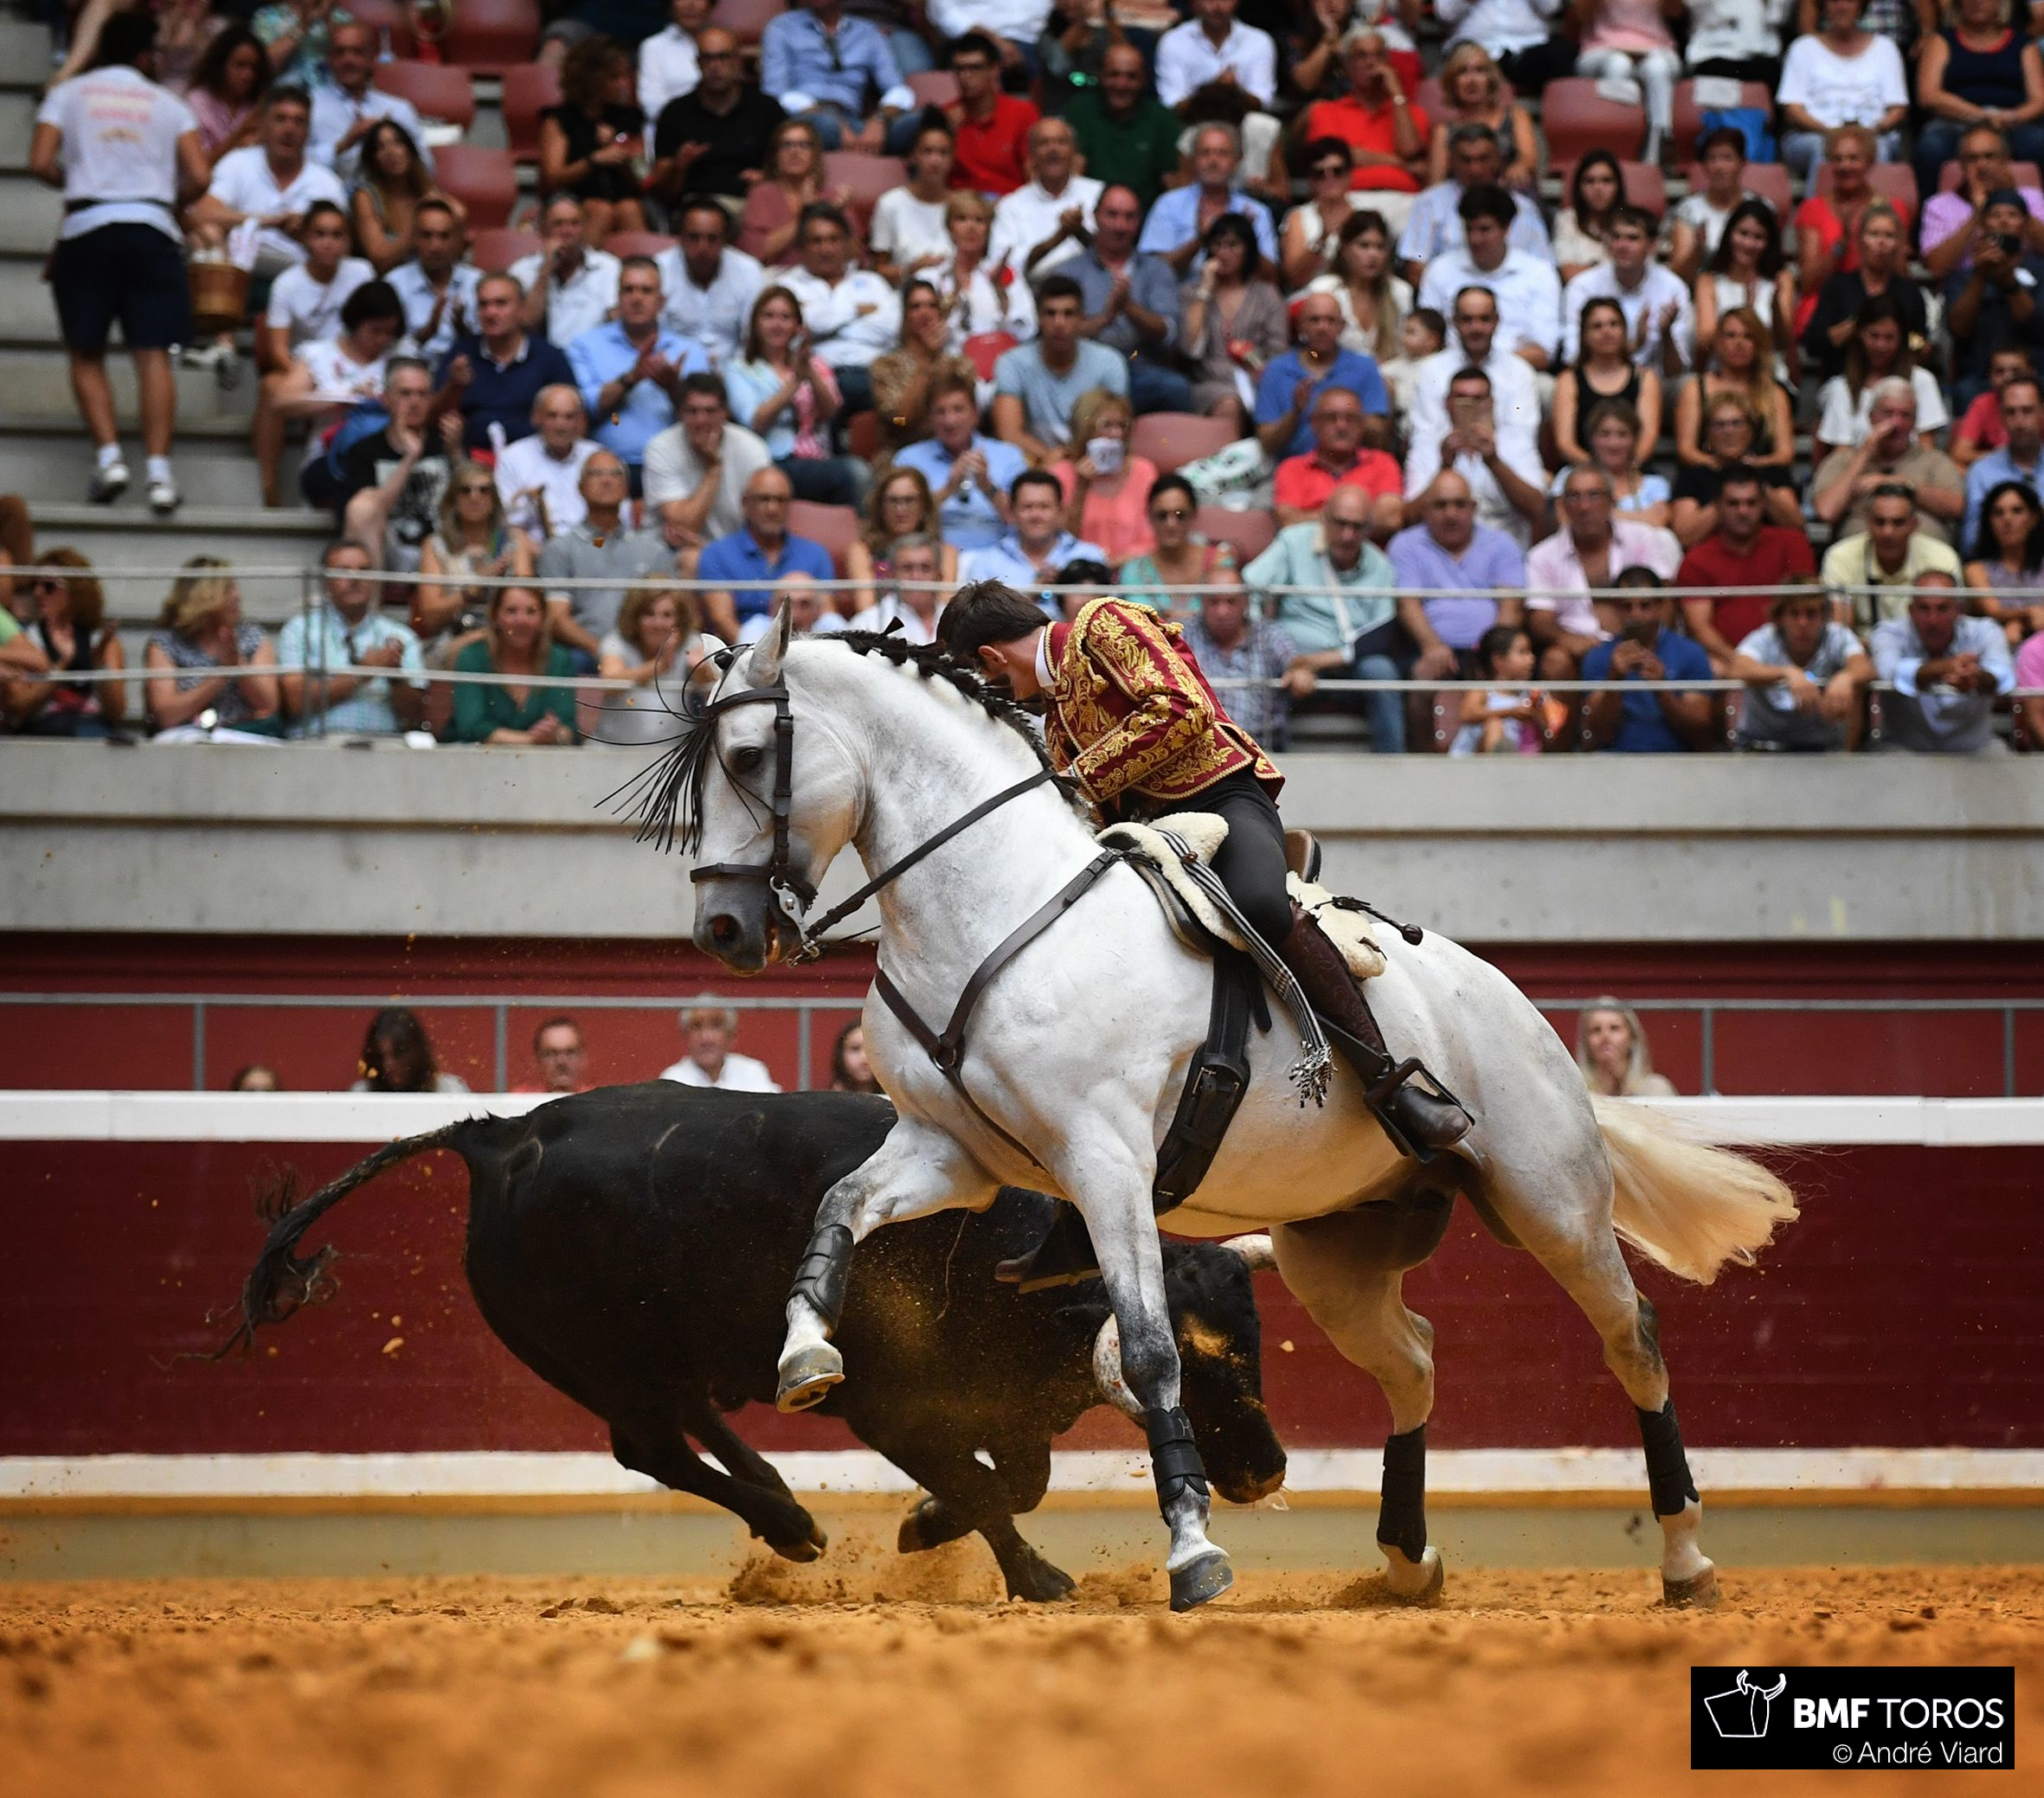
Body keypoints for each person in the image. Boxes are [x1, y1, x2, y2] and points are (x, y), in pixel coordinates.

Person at [937, 573, 1471, 1294]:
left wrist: (1077, 778)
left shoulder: (1103, 623)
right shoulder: (1056, 716)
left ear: (991, 658)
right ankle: (1082, 1214)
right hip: (1146, 835)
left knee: (1259, 900)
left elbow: (1180, 712)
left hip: (1223, 800)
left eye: (980, 676)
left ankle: (1390, 1082)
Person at [30, 13, 209, 514]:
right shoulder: (170, 105)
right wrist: (162, 200)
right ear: (144, 55)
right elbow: (200, 175)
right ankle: (159, 475)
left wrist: (84, 184)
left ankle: (110, 459)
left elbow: (40, 161)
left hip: (87, 229)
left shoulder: (69, 95)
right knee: (152, 354)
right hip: (152, 229)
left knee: (86, 352)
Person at [1242, 486, 1404, 749]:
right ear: (1324, 519)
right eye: (1340, 524)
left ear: (1369, 529)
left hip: (1351, 666)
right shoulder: (1294, 542)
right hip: (1292, 662)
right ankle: (1261, 764)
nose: (1347, 535)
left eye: (1357, 527)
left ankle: (1396, 766)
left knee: (1382, 670)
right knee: (1258, 666)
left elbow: (1381, 634)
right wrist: (1272, 647)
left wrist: (1317, 661)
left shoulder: (1380, 566)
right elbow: (1250, 588)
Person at [1388, 470, 1527, 729]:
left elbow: (1511, 608)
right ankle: (1422, 763)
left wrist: (1491, 654)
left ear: (1473, 508)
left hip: (1489, 650)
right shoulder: (1405, 545)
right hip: (1428, 648)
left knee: (1511, 674)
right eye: (1441, 505)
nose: (1451, 514)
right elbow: (1407, 605)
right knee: (1422, 677)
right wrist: (1433, 646)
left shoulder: (1502, 544)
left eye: (1460, 504)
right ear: (1425, 509)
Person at [1525, 462, 1680, 678]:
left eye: (1594, 495)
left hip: (1643, 641)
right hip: (1579, 648)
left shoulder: (1643, 538)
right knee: (1555, 660)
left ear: (1611, 501)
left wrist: (1648, 642)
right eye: (1574, 497)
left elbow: (1665, 599)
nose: (1584, 506)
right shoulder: (1541, 556)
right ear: (1562, 505)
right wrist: (1566, 639)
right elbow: (1540, 619)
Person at [568, 258, 711, 481]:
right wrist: (631, 378)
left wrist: (673, 388)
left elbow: (706, 418)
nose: (637, 298)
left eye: (646, 291)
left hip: (676, 468)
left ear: (661, 301)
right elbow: (584, 408)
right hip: (608, 467)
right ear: (618, 297)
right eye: (629, 290)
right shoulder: (586, 345)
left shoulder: (690, 351)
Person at [723, 286, 864, 508]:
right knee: (853, 473)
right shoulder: (739, 369)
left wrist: (810, 374)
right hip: (770, 460)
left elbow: (832, 412)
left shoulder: (815, 363)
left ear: (798, 327)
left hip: (816, 457)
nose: (777, 324)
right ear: (755, 324)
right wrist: (795, 383)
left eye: (785, 317)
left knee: (856, 473)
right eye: (768, 316)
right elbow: (755, 422)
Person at [267, 276, 399, 511]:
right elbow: (281, 402)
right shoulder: (320, 354)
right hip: (331, 458)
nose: (382, 339)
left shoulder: (399, 357)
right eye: (375, 331)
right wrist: (344, 397)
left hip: (389, 457)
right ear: (356, 323)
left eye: (389, 332)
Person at [1056, 183, 1189, 416]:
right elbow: (1059, 334)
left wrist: (1129, 308)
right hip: (1084, 371)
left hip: (1142, 370)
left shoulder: (1157, 270)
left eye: (1129, 217)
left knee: (1176, 389)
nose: (1120, 225)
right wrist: (1106, 317)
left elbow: (1170, 334)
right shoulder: (1069, 272)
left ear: (1139, 223)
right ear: (1095, 217)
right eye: (1112, 215)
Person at [542, 449, 691, 657]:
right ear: (580, 487)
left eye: (615, 474)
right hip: (584, 651)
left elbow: (675, 611)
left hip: (646, 652)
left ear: (627, 488)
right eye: (596, 474)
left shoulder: (653, 548)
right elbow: (557, 618)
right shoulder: (559, 549)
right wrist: (602, 651)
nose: (606, 480)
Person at [192, 84, 348, 282]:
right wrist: (272, 221)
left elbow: (342, 248)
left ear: (308, 131)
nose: (289, 129)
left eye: (299, 122)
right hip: (239, 268)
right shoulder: (238, 163)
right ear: (264, 125)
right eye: (280, 119)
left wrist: (306, 232)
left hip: (301, 275)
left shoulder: (327, 183)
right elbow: (199, 215)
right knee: (206, 233)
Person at [277, 537, 427, 737]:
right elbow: (295, 701)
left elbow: (417, 716)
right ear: (325, 581)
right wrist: (360, 674)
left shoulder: (401, 635)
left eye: (364, 571)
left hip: (384, 749)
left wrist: (395, 677)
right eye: (343, 571)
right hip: (317, 746)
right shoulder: (299, 630)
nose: (355, 578)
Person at [1673, 465, 1818, 667]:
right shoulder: (1697, 559)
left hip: (1792, 660)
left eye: (1751, 503)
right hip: (1728, 664)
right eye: (1733, 503)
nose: (1743, 511)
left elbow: (1808, 610)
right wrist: (1746, 665)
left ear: (1764, 504)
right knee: (1712, 669)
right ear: (1718, 505)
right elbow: (1699, 628)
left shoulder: (1793, 544)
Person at [1415, 183, 1563, 373]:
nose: (1475, 239)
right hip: (1450, 371)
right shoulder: (1439, 269)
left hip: (1516, 373)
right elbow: (1427, 338)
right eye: (1469, 229)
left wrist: (1489, 368)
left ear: (1506, 228)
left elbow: (1544, 353)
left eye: (1484, 229)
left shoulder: (1539, 273)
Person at [1402, 363, 1549, 550]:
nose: (1470, 405)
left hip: (1504, 556)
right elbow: (1410, 518)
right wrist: (1444, 467)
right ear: (1447, 403)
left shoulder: (1516, 444)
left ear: (1491, 403)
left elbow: (1538, 510)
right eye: (1461, 398)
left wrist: (1494, 462)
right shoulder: (1427, 447)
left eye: (1478, 398)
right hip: (1440, 557)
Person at [330, 356, 457, 571]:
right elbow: (361, 517)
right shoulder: (365, 451)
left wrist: (457, 454)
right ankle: (372, 605)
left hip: (445, 548)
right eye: (405, 393)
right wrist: (410, 458)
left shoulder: (448, 443)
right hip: (388, 548)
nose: (415, 402)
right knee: (362, 508)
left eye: (423, 394)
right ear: (386, 399)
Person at [1912, 0, 2044, 204]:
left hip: (2012, 122)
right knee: (1931, 148)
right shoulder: (1942, 41)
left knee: (2039, 143)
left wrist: (2012, 116)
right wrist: (1981, 115)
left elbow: (2039, 100)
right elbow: (1929, 95)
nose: (1977, 2)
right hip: (1955, 121)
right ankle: (1929, 220)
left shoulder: (2023, 44)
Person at [642, 374, 775, 576]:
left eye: (710, 411)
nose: (701, 420)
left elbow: (763, 519)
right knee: (693, 560)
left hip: (739, 553)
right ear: (679, 414)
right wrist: (713, 470)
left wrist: (713, 551)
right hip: (671, 553)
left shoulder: (752, 449)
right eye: (692, 411)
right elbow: (683, 526)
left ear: (726, 414)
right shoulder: (661, 448)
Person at [779, 202, 901, 418]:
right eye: (817, 241)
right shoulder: (787, 286)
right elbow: (802, 329)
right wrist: (857, 312)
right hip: (817, 377)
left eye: (833, 240)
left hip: (874, 374)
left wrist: (824, 326)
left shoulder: (872, 282)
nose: (826, 249)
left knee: (902, 418)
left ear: (846, 244)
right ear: (802, 246)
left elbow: (890, 328)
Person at [1810, 377, 1966, 546]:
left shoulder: (1935, 461)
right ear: (1871, 417)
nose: (1896, 423)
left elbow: (1956, 508)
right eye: (1888, 413)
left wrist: (1905, 485)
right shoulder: (1843, 461)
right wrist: (1864, 455)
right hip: (1857, 564)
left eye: (1905, 415)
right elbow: (1826, 512)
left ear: (1915, 422)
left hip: (1926, 565)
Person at [1870, 574, 2017, 752]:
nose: (1933, 620)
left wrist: (1974, 678)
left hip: (1975, 749)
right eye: (1924, 608)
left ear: (1959, 610)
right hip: (1905, 749)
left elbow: (2003, 676)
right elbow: (1890, 674)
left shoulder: (1986, 631)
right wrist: (1945, 667)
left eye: (1943, 608)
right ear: (1911, 611)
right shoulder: (1888, 633)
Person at [992, 276, 1128, 466]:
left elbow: (1117, 429)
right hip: (1037, 463)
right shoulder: (1012, 362)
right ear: (1039, 317)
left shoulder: (1109, 362)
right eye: (1051, 313)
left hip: (1094, 462)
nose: (1059, 323)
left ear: (1081, 318)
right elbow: (1009, 433)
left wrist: (1072, 464)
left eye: (1069, 314)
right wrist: (1053, 460)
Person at [434, 275, 577, 456]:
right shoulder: (462, 353)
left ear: (521, 308)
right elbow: (433, 418)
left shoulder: (549, 357)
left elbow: (575, 418)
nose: (491, 312)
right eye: (483, 305)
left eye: (501, 304)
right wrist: (454, 386)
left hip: (534, 460)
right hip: (469, 460)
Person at [1579, 570, 1719, 753]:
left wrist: (1662, 690)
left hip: (1678, 762)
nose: (1635, 614)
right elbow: (1598, 733)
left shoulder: (1691, 653)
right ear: (1616, 608)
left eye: (1645, 606)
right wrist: (1614, 679)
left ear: (1660, 606)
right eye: (1626, 606)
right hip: (1612, 763)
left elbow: (1700, 732)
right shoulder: (1598, 657)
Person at [650, 25, 784, 215]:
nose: (715, 66)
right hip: (694, 207)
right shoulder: (675, 112)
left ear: (738, 61)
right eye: (708, 58)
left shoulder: (767, 109)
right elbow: (662, 193)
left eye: (723, 57)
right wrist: (679, 167)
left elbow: (792, 169)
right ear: (697, 63)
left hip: (752, 204)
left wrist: (768, 179)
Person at [1396, 122, 1552, 282]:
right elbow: (1417, 262)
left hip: (1513, 296)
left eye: (1483, 159)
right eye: (1466, 160)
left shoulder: (1523, 208)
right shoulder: (1429, 203)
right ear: (1451, 161)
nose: (1474, 169)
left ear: (1498, 159)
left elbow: (1542, 265)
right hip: (1450, 295)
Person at [759, 0, 918, 156]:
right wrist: (824, 116)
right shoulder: (782, 27)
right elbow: (774, 92)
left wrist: (880, 120)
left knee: (923, 121)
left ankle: (861, 148)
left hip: (853, 122)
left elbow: (897, 89)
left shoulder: (868, 32)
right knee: (824, 126)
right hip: (802, 118)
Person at [144, 556, 280, 737]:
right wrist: (220, 677)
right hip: (186, 740)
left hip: (246, 737)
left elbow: (268, 706)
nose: (237, 596)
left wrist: (237, 665)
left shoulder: (251, 636)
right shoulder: (166, 643)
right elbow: (167, 715)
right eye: (228, 589)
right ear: (203, 597)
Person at [1302, 29, 1429, 223]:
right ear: (1347, 65)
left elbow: (1410, 150)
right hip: (1348, 199)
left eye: (1379, 55)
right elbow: (1337, 155)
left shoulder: (1410, 112)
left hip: (1403, 199)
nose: (1371, 63)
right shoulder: (1326, 111)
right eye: (1361, 56)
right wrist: (1398, 163)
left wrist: (1396, 93)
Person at [1730, 584, 1874, 752]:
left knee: (1856, 685)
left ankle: (1848, 757)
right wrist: (1788, 672)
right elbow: (1737, 669)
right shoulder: (1765, 637)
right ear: (1780, 618)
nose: (1803, 623)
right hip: (1759, 745)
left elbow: (1865, 668)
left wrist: (1846, 678)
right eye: (1794, 614)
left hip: (1820, 750)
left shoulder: (1837, 635)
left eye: (1811, 614)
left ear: (1824, 617)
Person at [1179, 215, 1288, 436]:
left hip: (1258, 380)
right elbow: (1190, 349)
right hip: (1209, 383)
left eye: (1233, 245)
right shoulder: (1192, 293)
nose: (1223, 252)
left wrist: (1253, 362)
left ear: (1247, 249)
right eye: (1217, 244)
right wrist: (1205, 291)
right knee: (1229, 402)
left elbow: (1279, 351)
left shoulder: (1267, 295)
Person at [1797, 199, 1925, 386]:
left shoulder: (1909, 292)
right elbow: (1814, 344)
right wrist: (1856, 326)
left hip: (1896, 385)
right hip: (1842, 382)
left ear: (1898, 244)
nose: (1881, 243)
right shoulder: (1837, 286)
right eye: (1874, 234)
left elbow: (1923, 344)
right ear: (1859, 241)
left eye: (1889, 236)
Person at [1253, 292, 1391, 461]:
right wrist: (1295, 413)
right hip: (1296, 472)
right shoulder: (1277, 370)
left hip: (1353, 471)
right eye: (1314, 320)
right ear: (1300, 326)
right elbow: (1266, 443)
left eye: (1330, 320)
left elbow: (1378, 439)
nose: (1322, 328)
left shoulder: (1364, 367)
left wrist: (1349, 412)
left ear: (1342, 327)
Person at [1777, 0, 1908, 177]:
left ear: (1861, 6)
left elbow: (1898, 108)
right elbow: (1792, 109)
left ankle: (1877, 205)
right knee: (1829, 153)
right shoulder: (1803, 48)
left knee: (1875, 150)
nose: (1842, 6)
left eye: (1849, 0)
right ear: (1824, 6)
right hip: (1815, 134)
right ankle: (1819, 205)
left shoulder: (1886, 48)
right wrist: (1832, 133)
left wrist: (1868, 133)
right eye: (1834, 1)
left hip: (1873, 133)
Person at [539, 35, 649, 247]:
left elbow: (641, 178)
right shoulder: (560, 119)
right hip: (575, 197)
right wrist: (595, 160)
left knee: (629, 208)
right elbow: (552, 177)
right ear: (593, 79)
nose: (623, 84)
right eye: (614, 77)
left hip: (622, 195)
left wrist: (619, 151)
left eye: (625, 76)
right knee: (600, 209)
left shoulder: (629, 118)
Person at [892, 375, 1024, 551]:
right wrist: (948, 489)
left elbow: (1023, 520)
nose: (950, 421)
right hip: (933, 558)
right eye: (940, 412)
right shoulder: (908, 459)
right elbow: (901, 522)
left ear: (976, 414)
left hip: (997, 555)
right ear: (930, 419)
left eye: (958, 409)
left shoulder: (1009, 455)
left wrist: (987, 486)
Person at [697, 466, 838, 629]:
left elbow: (826, 616)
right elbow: (722, 620)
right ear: (746, 504)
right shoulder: (716, 554)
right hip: (743, 648)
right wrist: (757, 653)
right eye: (764, 499)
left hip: (805, 648)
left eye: (781, 500)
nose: (773, 508)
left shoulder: (816, 554)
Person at [1560, 206, 1693, 378]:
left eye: (1633, 238)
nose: (1622, 246)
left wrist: (1666, 334)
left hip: (1656, 381)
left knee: (1685, 384)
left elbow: (1676, 371)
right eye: (1616, 237)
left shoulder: (1673, 288)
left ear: (1652, 245)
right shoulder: (1583, 287)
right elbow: (1573, 360)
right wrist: (1634, 345)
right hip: (1597, 379)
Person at [4, 549, 125, 738]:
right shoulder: (28, 640)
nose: (38, 592)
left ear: (76, 591)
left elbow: (117, 713)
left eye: (49, 586)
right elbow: (20, 708)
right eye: (35, 584)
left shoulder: (102, 641)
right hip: (43, 726)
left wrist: (101, 665)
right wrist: (60, 669)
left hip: (91, 726)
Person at [417, 462, 538, 647]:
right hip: (453, 638)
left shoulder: (515, 541)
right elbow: (430, 617)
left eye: (484, 490)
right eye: (465, 490)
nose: (475, 497)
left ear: (494, 500)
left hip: (508, 639)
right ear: (453, 500)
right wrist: (475, 587)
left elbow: (527, 605)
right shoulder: (435, 545)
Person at [1818, 482, 1964, 634]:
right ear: (1868, 522)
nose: (1888, 532)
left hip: (1923, 651)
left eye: (1898, 523)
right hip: (1863, 652)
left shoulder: (1942, 558)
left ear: (1914, 525)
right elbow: (1841, 632)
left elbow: (1948, 626)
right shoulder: (1840, 556)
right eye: (1880, 522)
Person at [1136, 122, 1279, 278]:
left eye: (1222, 153)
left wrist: (1246, 238)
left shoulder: (1255, 211)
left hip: (1239, 299)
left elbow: (1271, 278)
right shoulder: (1169, 204)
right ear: (1193, 160)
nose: (1213, 161)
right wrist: (1200, 240)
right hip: (1178, 297)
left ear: (1237, 161)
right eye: (1205, 153)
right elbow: (1151, 272)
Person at [1944, 189, 2044, 412]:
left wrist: (2008, 280)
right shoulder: (1962, 277)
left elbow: (2039, 328)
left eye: (2012, 214)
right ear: (1983, 224)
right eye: (1995, 215)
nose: (2004, 220)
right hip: (1981, 376)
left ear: (2025, 224)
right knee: (1964, 391)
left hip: (2036, 374)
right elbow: (1959, 328)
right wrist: (1981, 276)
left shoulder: (2041, 271)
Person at [447, 586, 581, 747]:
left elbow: (568, 726)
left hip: (542, 764)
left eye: (531, 612)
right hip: (475, 761)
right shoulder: (473, 656)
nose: (521, 621)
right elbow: (472, 727)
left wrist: (556, 735)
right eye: (511, 611)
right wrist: (532, 740)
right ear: (496, 616)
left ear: (543, 617)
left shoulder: (559, 659)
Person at [1669, 390, 1804, 546]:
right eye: (1719, 425)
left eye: (1737, 423)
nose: (1728, 431)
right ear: (1707, 434)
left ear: (1752, 431)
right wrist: (1725, 498)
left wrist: (1760, 487)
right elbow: (1684, 536)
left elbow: (1796, 526)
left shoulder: (1771, 472)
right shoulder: (1693, 476)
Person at [1064, 39, 1182, 212]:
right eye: (1114, 75)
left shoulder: (1161, 117)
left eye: (1131, 77)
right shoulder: (1080, 110)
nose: (1121, 85)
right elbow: (1073, 174)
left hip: (1144, 219)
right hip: (1088, 215)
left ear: (1144, 80)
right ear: (1101, 75)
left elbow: (1172, 181)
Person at [1675, 305, 1796, 475]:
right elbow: (1686, 450)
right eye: (1731, 335)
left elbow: (1785, 454)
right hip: (1707, 474)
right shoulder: (1694, 389)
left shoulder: (1775, 393)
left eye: (1748, 336)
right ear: (1718, 341)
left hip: (1760, 477)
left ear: (1758, 343)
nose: (1739, 343)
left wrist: (1751, 466)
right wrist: (1723, 467)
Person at [1045, 387, 1160, 564]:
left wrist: (1117, 563)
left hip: (1132, 571)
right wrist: (1081, 488)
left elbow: (1152, 537)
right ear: (1085, 430)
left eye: (1122, 425)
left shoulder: (1143, 471)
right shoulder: (1060, 473)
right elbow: (1060, 541)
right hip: (1078, 576)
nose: (1117, 434)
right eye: (1107, 425)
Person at [1920, 124, 2044, 286]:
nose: (1981, 165)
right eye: (1972, 158)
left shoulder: (2031, 197)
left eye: (1989, 156)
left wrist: (2014, 201)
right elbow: (1935, 267)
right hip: (1966, 291)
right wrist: (1977, 216)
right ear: (1962, 165)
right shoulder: (1938, 205)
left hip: (2028, 286)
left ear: (2006, 159)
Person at [307, 19, 427, 183]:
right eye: (340, 52)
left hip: (385, 201)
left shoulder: (398, 109)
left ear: (371, 58)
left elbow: (427, 168)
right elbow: (293, 165)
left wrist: (392, 146)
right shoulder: (309, 105)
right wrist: (343, 145)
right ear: (329, 59)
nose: (348, 60)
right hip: (326, 201)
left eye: (357, 52)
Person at [595, 583, 717, 743]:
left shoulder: (691, 641)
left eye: (667, 615)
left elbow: (711, 688)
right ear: (635, 617)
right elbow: (610, 684)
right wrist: (661, 665)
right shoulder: (616, 641)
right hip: (611, 749)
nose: (658, 623)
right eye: (649, 614)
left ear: (679, 620)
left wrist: (701, 670)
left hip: (673, 755)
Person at [654, 201, 765, 376]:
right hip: (673, 374)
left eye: (712, 238)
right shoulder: (659, 270)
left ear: (726, 239)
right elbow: (652, 336)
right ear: (680, 238)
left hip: (734, 372)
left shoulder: (748, 271)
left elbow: (752, 338)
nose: (702, 247)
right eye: (694, 237)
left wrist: (735, 377)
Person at [1272, 388, 1404, 534]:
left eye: (1351, 418)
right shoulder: (1292, 468)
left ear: (1362, 424)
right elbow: (1289, 523)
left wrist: (1315, 517)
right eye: (1331, 418)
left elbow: (1391, 519)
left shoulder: (1382, 463)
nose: (1342, 426)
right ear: (1315, 423)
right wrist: (1358, 518)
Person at [871, 284, 981, 458]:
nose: (925, 313)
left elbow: (970, 417)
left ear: (940, 314)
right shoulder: (885, 366)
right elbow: (899, 421)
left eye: (932, 306)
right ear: (905, 316)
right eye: (916, 307)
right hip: (902, 456)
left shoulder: (961, 366)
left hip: (956, 452)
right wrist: (925, 363)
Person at [988, 117, 1104, 281]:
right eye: (1044, 143)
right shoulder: (1011, 206)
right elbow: (1002, 267)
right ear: (1031, 154)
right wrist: (1058, 237)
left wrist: (1079, 231)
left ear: (1073, 151)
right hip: (1033, 293)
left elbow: (1114, 255)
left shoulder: (1099, 194)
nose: (1053, 149)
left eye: (1061, 142)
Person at [956, 468, 1106, 593]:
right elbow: (976, 622)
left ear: (1061, 512)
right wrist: (1031, 595)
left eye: (1044, 507)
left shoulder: (1091, 557)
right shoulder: (986, 563)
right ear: (1012, 511)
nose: (1036, 515)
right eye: (1027, 507)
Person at [1552, 297, 1661, 467]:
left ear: (1624, 330)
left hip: (1633, 470)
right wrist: (1600, 474)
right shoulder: (1568, 380)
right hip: (1583, 472)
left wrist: (1626, 470)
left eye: (1614, 324)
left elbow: (1648, 436)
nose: (1607, 331)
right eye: (1597, 326)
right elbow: (1565, 444)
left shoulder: (1645, 377)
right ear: (1584, 335)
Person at [1573, 0, 1681, 165]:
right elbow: (1579, 14)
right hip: (1602, 47)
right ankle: (1616, 146)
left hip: (1654, 47)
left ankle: (1659, 147)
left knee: (1657, 69)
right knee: (1619, 65)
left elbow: (1675, 11)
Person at [1694, 199, 1797, 372]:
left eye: (1758, 237)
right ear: (1729, 234)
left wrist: (1775, 307)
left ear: (1769, 242)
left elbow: (1782, 342)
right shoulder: (1708, 281)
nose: (1749, 244)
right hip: (1721, 374)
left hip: (1769, 375)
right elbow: (1705, 341)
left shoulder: (1781, 280)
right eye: (1743, 233)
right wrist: (1746, 314)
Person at [1305, 212, 1414, 375]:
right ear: (1345, 249)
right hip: (1334, 376)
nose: (1373, 255)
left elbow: (1406, 351)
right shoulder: (1324, 290)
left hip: (1389, 379)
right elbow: (1311, 350)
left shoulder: (1401, 292)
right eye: (1364, 246)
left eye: (1380, 247)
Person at [512, 196, 622, 355]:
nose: (567, 232)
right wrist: (545, 270)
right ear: (542, 230)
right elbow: (526, 326)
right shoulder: (522, 270)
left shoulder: (609, 268)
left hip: (592, 358)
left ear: (584, 228)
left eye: (575, 224)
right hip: (539, 362)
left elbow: (617, 326)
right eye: (558, 224)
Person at [1422, 39, 1533, 194]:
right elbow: (1436, 185)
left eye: (1479, 71)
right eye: (1463, 72)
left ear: (1490, 78)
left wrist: (1517, 169)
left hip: (1511, 195)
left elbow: (1528, 160)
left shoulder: (1516, 116)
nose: (1472, 80)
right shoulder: (1444, 131)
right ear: (1453, 82)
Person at [494, 386, 602, 543]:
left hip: (591, 548)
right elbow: (510, 523)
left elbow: (617, 515)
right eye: (552, 416)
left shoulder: (597, 456)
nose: (560, 425)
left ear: (580, 421)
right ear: (536, 417)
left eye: (569, 417)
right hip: (536, 552)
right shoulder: (513, 457)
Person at [932, 191, 1038, 350]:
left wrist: (1000, 293)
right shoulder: (933, 277)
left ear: (988, 229)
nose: (971, 227)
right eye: (962, 219)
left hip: (997, 364)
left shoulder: (1005, 274)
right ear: (949, 227)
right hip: (949, 366)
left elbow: (1026, 331)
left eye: (980, 220)